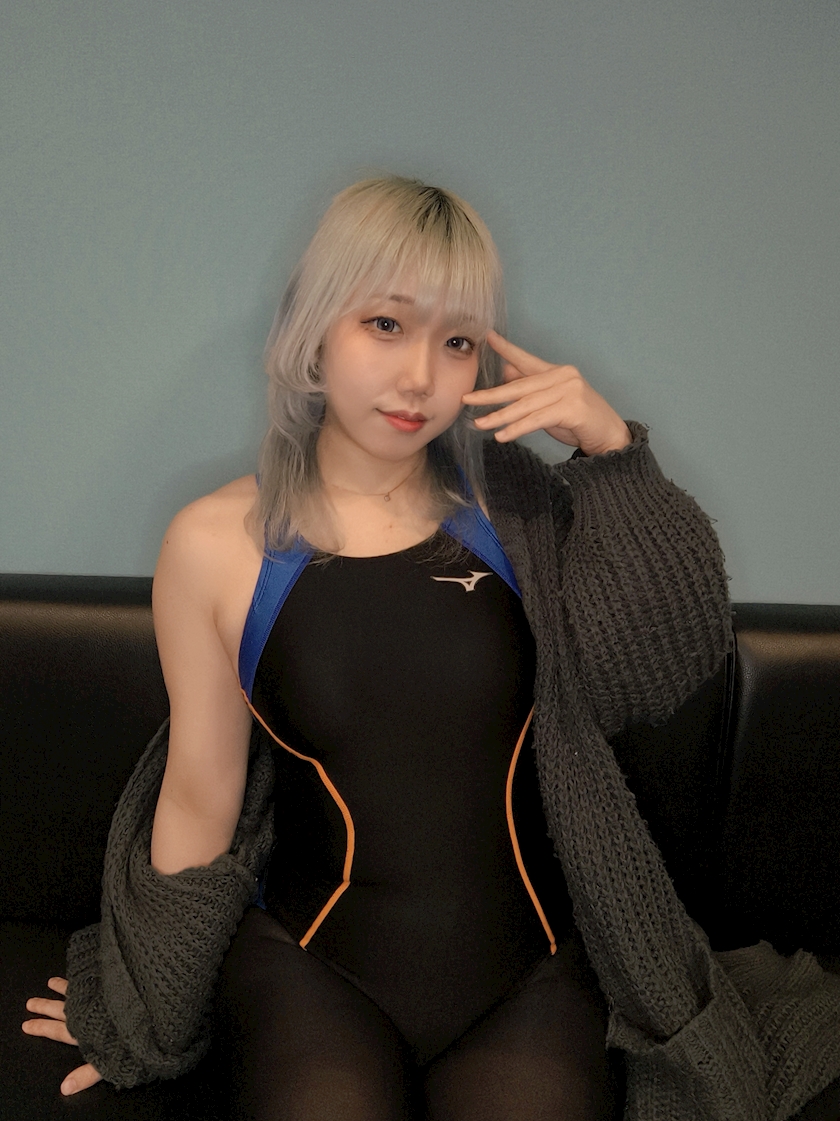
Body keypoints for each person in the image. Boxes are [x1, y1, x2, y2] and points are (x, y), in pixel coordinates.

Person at [22, 177, 840, 1120]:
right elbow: (201, 794)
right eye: (385, 324)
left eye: (455, 341)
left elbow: (664, 666)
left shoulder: (517, 511)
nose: (420, 376)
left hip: (531, 970)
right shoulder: (215, 543)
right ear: (315, 331)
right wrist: (143, 1009)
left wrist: (612, 454)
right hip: (308, 962)